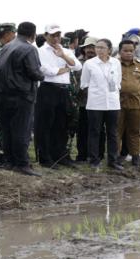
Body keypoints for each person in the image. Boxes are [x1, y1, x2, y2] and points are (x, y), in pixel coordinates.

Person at [0, 22, 44, 176]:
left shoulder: (7, 46)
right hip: (21, 95)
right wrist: (42, 75)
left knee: (8, 130)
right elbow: (35, 73)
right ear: (33, 35)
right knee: (22, 130)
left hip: (2, 95)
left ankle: (10, 161)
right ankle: (22, 164)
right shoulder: (29, 48)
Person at [36, 24, 82, 168]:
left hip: (64, 89)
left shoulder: (66, 50)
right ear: (45, 36)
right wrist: (66, 69)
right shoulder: (40, 51)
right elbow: (46, 71)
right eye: (52, 35)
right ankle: (45, 157)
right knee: (46, 124)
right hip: (47, 89)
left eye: (58, 35)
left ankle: (60, 155)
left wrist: (63, 56)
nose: (56, 38)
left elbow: (78, 66)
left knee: (62, 124)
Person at [80, 39, 122, 170]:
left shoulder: (115, 63)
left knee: (113, 132)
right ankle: (94, 159)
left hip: (113, 102)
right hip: (95, 103)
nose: (99, 50)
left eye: (102, 48)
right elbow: (84, 83)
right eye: (97, 47)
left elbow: (118, 82)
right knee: (94, 132)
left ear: (109, 49)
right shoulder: (89, 63)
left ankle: (113, 160)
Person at [117, 40, 140, 166]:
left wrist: (134, 90)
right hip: (118, 102)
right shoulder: (114, 65)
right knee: (117, 130)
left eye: (131, 51)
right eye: (125, 50)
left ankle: (135, 156)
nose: (129, 53)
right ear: (120, 51)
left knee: (135, 130)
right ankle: (116, 156)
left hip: (135, 102)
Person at [74, 37, 106, 163]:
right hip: (83, 102)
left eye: (92, 47)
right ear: (83, 49)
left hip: (99, 103)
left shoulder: (104, 63)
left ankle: (99, 154)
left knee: (98, 130)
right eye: (87, 47)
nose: (90, 50)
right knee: (82, 129)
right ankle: (82, 155)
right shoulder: (78, 63)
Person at [0, 23, 16, 166]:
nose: (15, 36)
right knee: (0, 123)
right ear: (7, 35)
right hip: (0, 93)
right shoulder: (1, 51)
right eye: (13, 33)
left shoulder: (2, 50)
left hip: (2, 92)